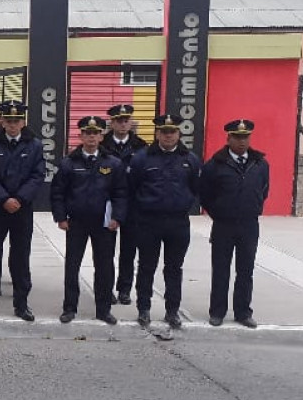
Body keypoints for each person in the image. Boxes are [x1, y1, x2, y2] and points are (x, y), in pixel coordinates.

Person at [128, 114, 202, 335]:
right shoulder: (142, 158)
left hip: (177, 222)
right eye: (164, 132)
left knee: (174, 268)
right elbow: (132, 189)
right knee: (146, 267)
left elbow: (196, 188)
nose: (168, 136)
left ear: (179, 133)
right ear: (157, 133)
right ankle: (144, 308)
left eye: (172, 132)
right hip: (149, 221)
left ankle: (172, 310)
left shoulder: (190, 159)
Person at [50, 116, 127, 325]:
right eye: (87, 133)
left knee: (104, 267)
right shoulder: (69, 162)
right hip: (76, 222)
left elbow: (121, 193)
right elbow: (58, 192)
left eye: (95, 133)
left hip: (104, 224)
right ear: (81, 135)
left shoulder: (113, 163)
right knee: (72, 267)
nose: (91, 137)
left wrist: (117, 217)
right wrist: (60, 217)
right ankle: (69, 308)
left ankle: (103, 309)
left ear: (102, 136)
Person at [0, 100, 45, 322]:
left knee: (20, 257)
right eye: (9, 121)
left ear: (23, 122)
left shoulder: (34, 145)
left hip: (22, 210)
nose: (13, 125)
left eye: (17, 121)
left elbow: (37, 175)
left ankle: (21, 304)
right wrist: (4, 199)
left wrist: (19, 199)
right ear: (2, 122)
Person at [199, 119, 269, 329]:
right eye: (237, 137)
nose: (241, 141)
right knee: (221, 270)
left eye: (245, 137)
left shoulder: (260, 164)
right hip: (223, 225)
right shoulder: (215, 164)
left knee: (245, 270)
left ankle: (243, 312)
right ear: (228, 138)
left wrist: (252, 207)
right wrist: (219, 212)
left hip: (249, 225)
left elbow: (264, 191)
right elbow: (205, 194)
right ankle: (217, 312)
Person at [100, 104, 149, 306]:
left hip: (132, 203)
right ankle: (106, 288)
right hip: (108, 203)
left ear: (131, 122)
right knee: (106, 249)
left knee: (129, 249)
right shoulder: (102, 144)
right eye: (118, 120)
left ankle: (124, 289)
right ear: (111, 123)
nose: (122, 123)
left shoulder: (142, 146)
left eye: (126, 120)